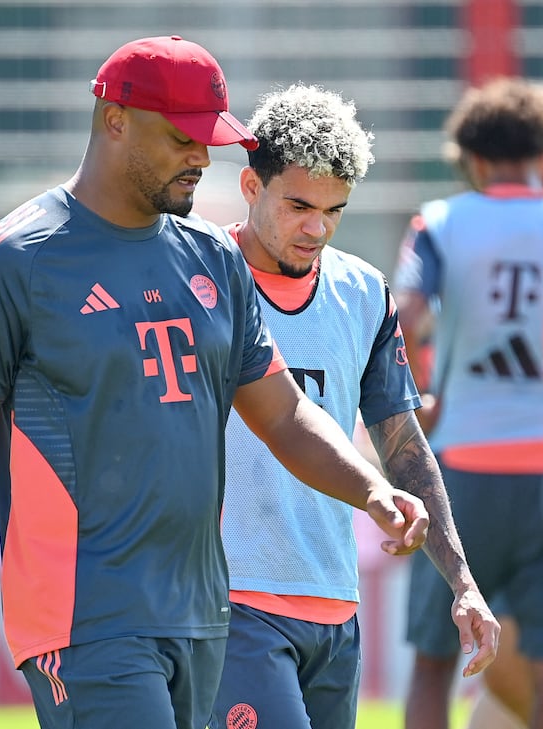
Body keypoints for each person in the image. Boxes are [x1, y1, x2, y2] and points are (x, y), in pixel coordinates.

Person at [0, 36, 429, 729]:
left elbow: (285, 415)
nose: (202, 159)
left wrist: (372, 489)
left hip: (204, 616)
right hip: (83, 618)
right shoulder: (10, 264)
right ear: (114, 120)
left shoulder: (213, 258)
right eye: (183, 139)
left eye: (210, 141)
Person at [208, 84, 498, 729]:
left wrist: (462, 583)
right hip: (229, 604)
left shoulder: (364, 292)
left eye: (334, 210)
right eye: (299, 205)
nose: (317, 227)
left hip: (335, 607)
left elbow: (403, 444)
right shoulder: (196, 278)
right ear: (251, 187)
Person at [395, 78, 543, 729]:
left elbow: (405, 316)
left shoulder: (442, 220)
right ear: (542, 150)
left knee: (432, 657)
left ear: (474, 158)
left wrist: (419, 393)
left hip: (463, 463)